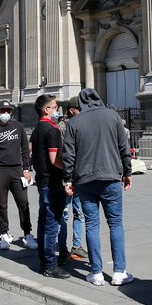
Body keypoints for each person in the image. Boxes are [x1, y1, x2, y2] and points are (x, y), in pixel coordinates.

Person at [63, 88, 133, 286]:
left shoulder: (74, 122)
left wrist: (67, 179)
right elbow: (123, 147)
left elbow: (68, 154)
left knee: (92, 225)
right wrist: (127, 172)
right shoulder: (112, 116)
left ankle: (96, 273)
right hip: (111, 178)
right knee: (116, 224)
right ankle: (119, 271)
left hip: (84, 181)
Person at [0, 101, 37, 250]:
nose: (5, 113)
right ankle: (4, 234)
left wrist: (26, 169)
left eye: (8, 110)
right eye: (2, 110)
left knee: (23, 203)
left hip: (17, 170)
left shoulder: (18, 127)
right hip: (0, 171)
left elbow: (25, 150)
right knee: (2, 205)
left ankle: (27, 234)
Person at [32, 94, 71, 278]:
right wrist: (69, 168)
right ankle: (49, 264)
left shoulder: (37, 128)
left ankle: (43, 258)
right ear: (46, 109)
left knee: (43, 221)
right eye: (55, 107)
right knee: (52, 224)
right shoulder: (52, 130)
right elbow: (55, 159)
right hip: (52, 181)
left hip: (41, 179)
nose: (57, 110)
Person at [61, 96, 87, 261]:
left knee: (79, 213)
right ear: (72, 110)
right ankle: (62, 247)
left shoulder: (80, 125)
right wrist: (66, 178)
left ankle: (77, 246)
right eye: (80, 110)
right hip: (66, 177)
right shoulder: (62, 127)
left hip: (79, 176)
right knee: (64, 212)